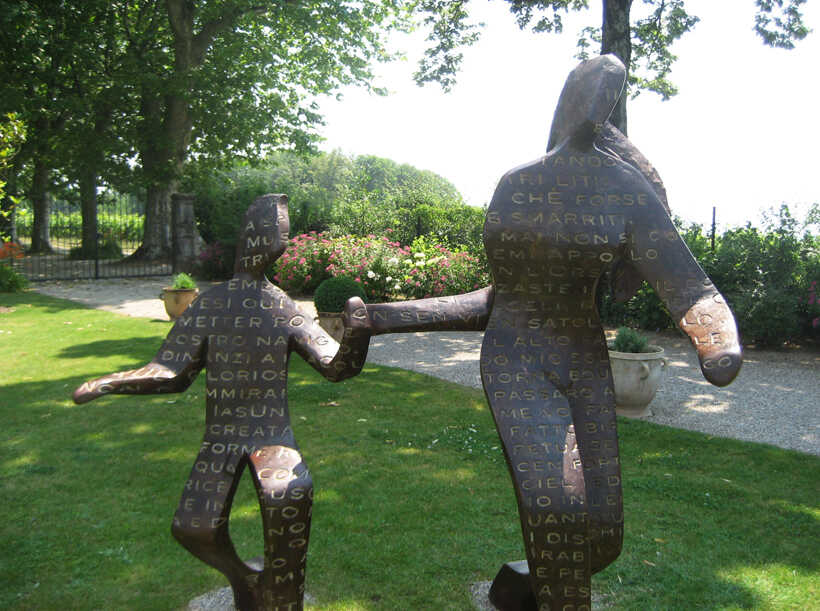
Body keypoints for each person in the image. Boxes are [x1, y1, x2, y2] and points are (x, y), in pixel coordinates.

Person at [362, 55, 742, 610]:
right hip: (518, 359)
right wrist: (388, 316)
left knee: (602, 535)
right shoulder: (519, 185)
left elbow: (687, 284)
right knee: (560, 511)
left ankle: (517, 588)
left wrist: (716, 338)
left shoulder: (625, 189)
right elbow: (499, 297)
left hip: (583, 361)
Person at [73, 194, 371, 611]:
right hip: (221, 436)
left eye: (279, 237)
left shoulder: (281, 305)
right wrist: (111, 381)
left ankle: (283, 600)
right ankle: (245, 579)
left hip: (271, 433)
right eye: (267, 234)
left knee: (290, 494)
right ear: (246, 239)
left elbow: (334, 365)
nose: (272, 245)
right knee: (194, 528)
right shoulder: (212, 303)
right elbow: (170, 370)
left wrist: (356, 338)